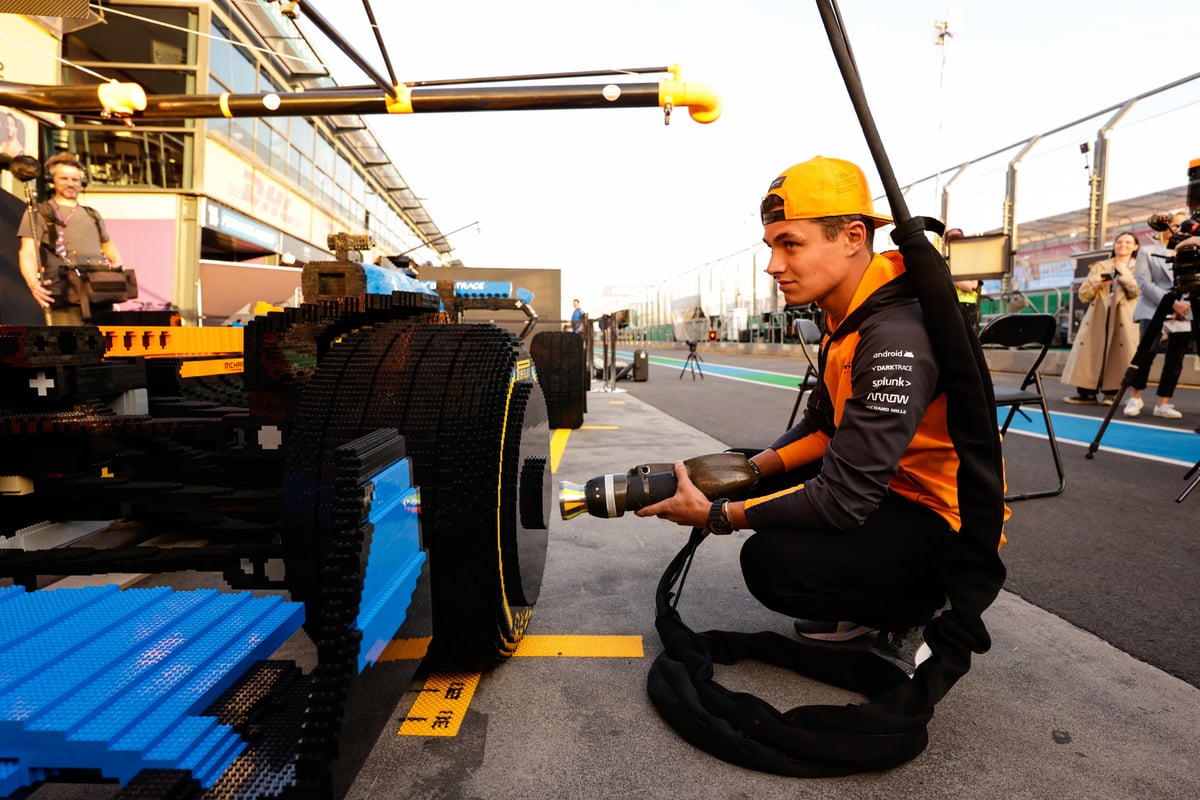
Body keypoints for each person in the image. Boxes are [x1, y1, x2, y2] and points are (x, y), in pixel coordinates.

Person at [636, 156, 1003, 673]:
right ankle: (861, 595)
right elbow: (821, 429)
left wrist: (718, 516)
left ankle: (912, 608)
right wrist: (743, 474)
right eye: (771, 247)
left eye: (791, 244)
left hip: (937, 522)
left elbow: (845, 500)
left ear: (853, 236)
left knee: (772, 564)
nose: (773, 266)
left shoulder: (895, 331)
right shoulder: (848, 313)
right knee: (737, 469)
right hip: (886, 489)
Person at [16, 152, 126, 325]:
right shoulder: (40, 212)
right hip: (64, 294)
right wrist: (33, 283)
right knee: (69, 346)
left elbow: (108, 246)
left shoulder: (92, 214)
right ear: (52, 180)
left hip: (98, 294)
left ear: (82, 182)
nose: (70, 183)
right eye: (64, 178)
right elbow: (28, 251)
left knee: (103, 347)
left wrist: (117, 271)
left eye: (75, 180)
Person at [1059, 231, 1140, 404]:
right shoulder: (1100, 266)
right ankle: (1086, 393)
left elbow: (1135, 292)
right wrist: (1097, 284)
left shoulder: (1139, 267)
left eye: (1128, 242)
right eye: (1119, 242)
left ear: (1135, 247)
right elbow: (1083, 294)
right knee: (1090, 352)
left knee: (1117, 352)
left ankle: (1111, 392)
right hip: (1098, 315)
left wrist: (1124, 273)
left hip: (1123, 317)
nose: (1123, 245)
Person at [1125, 213, 1190, 419]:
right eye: (1176, 224)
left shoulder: (1193, 252)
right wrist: (1172, 303)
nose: (1180, 228)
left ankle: (1163, 402)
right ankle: (1135, 396)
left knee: (1175, 359)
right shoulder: (1148, 251)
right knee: (1146, 353)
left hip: (1185, 311)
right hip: (1153, 308)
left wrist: (1184, 306)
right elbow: (1145, 283)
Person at [944, 227, 981, 331]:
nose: (955, 242)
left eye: (958, 239)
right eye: (952, 240)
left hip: (967, 305)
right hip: (948, 305)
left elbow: (972, 286)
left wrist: (949, 277)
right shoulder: (943, 262)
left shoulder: (970, 261)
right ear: (946, 243)